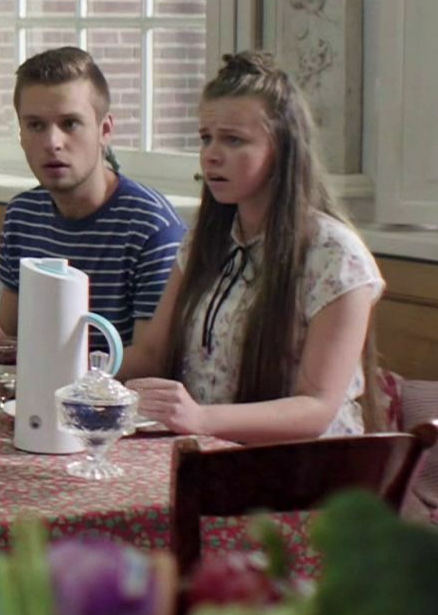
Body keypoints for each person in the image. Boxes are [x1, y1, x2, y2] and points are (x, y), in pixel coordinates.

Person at [119, 52, 385, 442]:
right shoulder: (206, 239)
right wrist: (71, 371)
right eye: (206, 138)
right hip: (210, 450)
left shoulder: (336, 256)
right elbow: (152, 354)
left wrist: (201, 418)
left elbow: (316, 407)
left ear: (282, 149)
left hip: (305, 463)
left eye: (233, 139)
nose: (211, 154)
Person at [0, 47, 187, 358]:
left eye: (70, 123)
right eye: (35, 125)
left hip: (116, 389)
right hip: (31, 384)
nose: (52, 143)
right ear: (21, 134)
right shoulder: (22, 214)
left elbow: (151, 361)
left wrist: (32, 360)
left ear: (104, 130)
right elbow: (11, 337)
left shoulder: (152, 226)